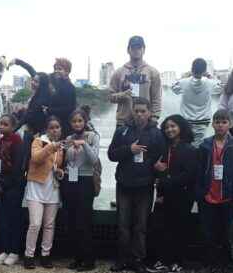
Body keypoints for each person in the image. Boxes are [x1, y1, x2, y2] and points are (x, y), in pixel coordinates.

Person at [107, 97, 167, 273]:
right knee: (123, 225)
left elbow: (161, 160)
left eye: (143, 111)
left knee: (141, 226)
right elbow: (111, 154)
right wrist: (129, 150)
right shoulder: (122, 131)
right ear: (132, 111)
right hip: (124, 185)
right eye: (137, 111)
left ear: (149, 113)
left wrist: (156, 170)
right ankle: (122, 259)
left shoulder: (157, 134)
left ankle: (138, 259)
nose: (140, 114)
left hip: (145, 186)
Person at [195, 109, 233, 273]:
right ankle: (209, 263)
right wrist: (200, 193)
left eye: (224, 122)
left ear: (230, 124)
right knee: (208, 232)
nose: (220, 125)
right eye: (217, 121)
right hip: (208, 196)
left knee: (226, 233)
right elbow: (198, 170)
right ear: (212, 124)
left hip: (228, 196)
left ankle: (225, 264)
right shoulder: (204, 145)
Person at [150, 114, 198, 273]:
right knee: (161, 229)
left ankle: (178, 262)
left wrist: (166, 177)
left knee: (179, 229)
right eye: (166, 127)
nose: (169, 130)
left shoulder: (190, 149)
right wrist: (157, 171)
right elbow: (158, 169)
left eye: (173, 126)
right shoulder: (163, 148)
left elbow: (189, 175)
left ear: (181, 127)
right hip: (164, 196)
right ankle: (161, 260)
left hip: (182, 196)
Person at [23, 117, 65, 270]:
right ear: (47, 129)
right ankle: (29, 255)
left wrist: (60, 172)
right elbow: (36, 158)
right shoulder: (38, 141)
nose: (55, 130)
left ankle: (45, 255)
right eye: (52, 127)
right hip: (35, 188)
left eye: (57, 127)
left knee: (49, 225)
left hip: (52, 189)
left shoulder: (61, 147)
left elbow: (56, 166)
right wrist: (52, 147)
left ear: (61, 129)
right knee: (35, 224)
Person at [62, 108, 100, 272]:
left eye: (80, 121)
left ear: (85, 121)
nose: (77, 124)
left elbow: (93, 160)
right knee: (71, 221)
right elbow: (67, 161)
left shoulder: (93, 136)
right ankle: (77, 257)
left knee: (84, 221)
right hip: (71, 180)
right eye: (74, 121)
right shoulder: (69, 138)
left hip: (86, 181)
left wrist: (84, 144)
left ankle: (89, 259)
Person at [12, 58, 77, 136]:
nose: (56, 71)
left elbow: (70, 108)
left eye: (60, 69)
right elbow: (35, 74)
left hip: (60, 124)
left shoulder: (70, 87)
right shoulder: (51, 79)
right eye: (55, 69)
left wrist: (50, 110)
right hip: (45, 121)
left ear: (67, 71)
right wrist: (18, 62)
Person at [0, 114, 25, 266]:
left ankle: (14, 251)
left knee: (13, 218)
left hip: (13, 186)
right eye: (0, 124)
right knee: (3, 219)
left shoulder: (17, 140)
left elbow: (18, 166)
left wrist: (3, 184)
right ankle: (4, 249)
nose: (1, 126)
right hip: (0, 185)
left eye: (5, 124)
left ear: (12, 126)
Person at [109, 36, 162, 128]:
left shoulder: (153, 72)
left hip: (145, 121)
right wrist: (122, 95)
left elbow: (156, 98)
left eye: (139, 47)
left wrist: (154, 118)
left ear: (144, 50)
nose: (136, 50)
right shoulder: (118, 73)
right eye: (133, 48)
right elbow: (110, 97)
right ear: (128, 50)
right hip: (124, 122)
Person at [171, 58, 222, 146]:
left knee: (186, 144)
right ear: (205, 70)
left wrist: (186, 76)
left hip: (186, 120)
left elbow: (174, 88)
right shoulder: (210, 83)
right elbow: (221, 88)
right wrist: (210, 76)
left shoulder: (183, 82)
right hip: (203, 121)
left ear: (192, 69)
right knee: (199, 146)